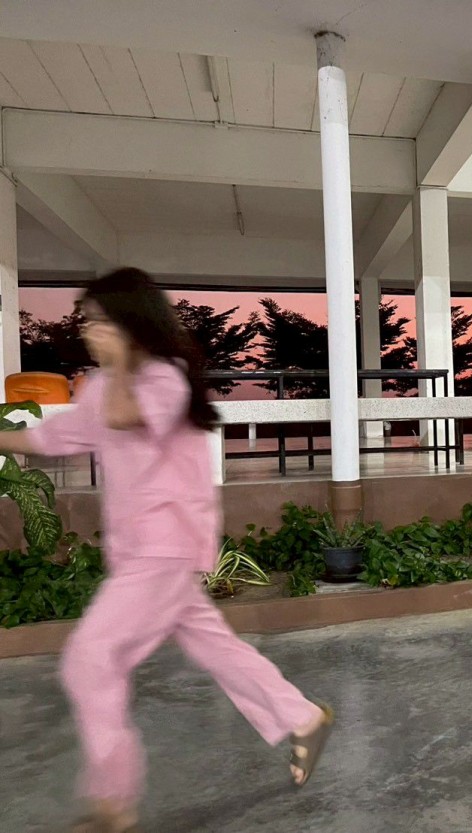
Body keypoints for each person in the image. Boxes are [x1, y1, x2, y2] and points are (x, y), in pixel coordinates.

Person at [0, 268, 333, 833]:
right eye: (87, 322)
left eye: (101, 322)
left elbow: (122, 417)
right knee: (217, 648)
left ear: (132, 324)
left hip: (166, 549)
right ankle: (302, 718)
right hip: (136, 552)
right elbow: (53, 437)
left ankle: (113, 805)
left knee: (90, 660)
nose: (89, 332)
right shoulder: (100, 385)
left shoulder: (164, 378)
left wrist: (116, 364)